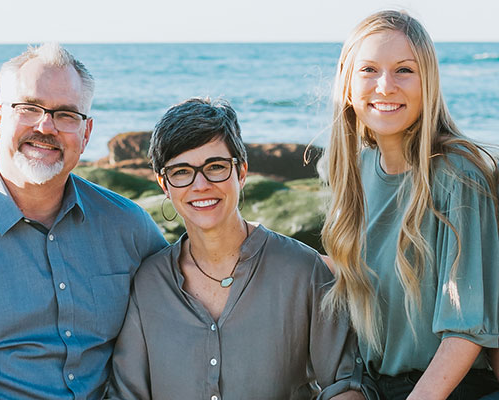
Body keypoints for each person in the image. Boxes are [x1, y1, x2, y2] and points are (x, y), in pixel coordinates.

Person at [0, 43, 167, 399]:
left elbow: (188, 314)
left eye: (67, 114)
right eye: (28, 108)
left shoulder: (128, 227)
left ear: (86, 134)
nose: (46, 126)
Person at [106, 98, 372, 400]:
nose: (201, 184)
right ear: (164, 184)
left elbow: (346, 385)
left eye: (216, 167)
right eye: (181, 171)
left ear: (242, 172)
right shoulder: (148, 285)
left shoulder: (303, 270)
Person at [320, 10, 499, 400]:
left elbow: (466, 332)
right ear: (348, 86)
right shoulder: (358, 170)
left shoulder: (458, 175)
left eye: (404, 70)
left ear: (428, 83)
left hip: (452, 389)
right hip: (376, 385)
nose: (385, 86)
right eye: (369, 69)